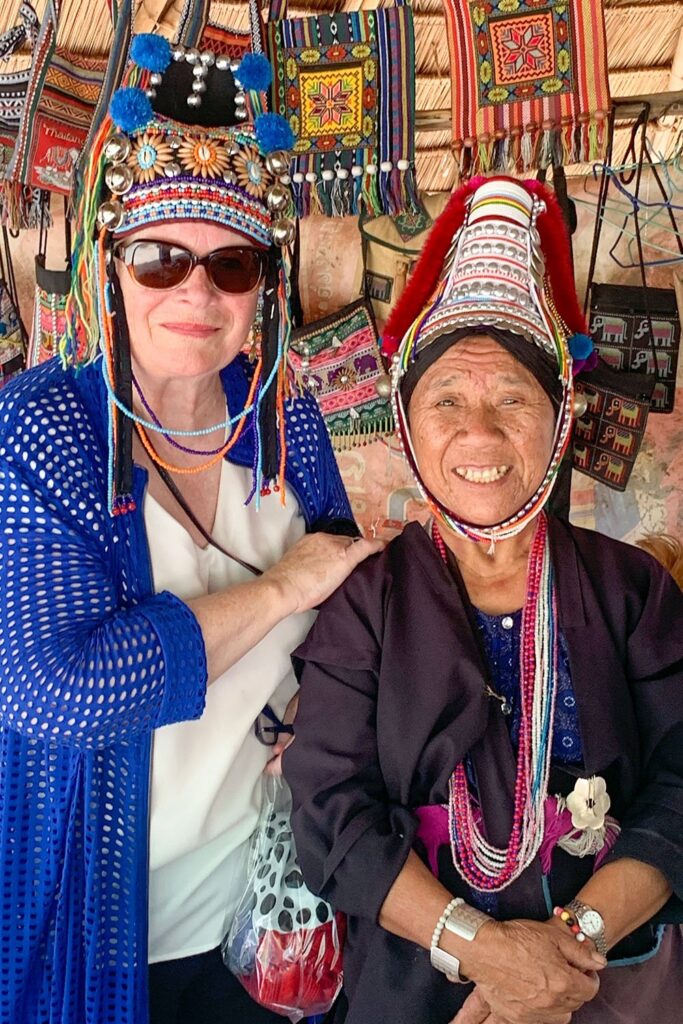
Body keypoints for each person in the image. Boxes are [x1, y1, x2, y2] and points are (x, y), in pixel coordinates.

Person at [0, 34, 380, 1024]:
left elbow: (351, 601)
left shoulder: (279, 408)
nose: (196, 294)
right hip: (106, 911)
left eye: (233, 263)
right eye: (161, 258)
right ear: (112, 264)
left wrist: (321, 700)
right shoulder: (50, 423)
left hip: (261, 908)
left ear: (264, 284)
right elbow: (55, 690)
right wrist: (278, 593)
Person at [284, 177, 683, 1024]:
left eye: (511, 398)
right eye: (447, 401)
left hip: (607, 978)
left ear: (558, 418)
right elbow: (330, 814)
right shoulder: (365, 604)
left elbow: (681, 784)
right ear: (407, 423)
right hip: (420, 989)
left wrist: (563, 951)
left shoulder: (630, 590)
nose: (479, 435)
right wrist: (491, 954)